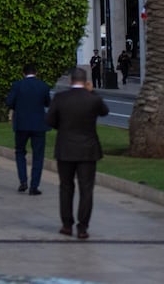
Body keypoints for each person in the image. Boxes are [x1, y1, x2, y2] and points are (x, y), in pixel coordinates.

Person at [46, 65, 109, 240]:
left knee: (66, 187)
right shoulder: (92, 99)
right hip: (88, 149)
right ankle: (82, 227)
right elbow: (104, 111)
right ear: (86, 81)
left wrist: (64, 128)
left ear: (70, 80)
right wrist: (93, 92)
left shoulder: (61, 98)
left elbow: (49, 120)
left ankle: (67, 225)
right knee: (86, 189)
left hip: (65, 148)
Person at [5, 61, 51, 195]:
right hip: (38, 124)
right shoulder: (43, 86)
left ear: (23, 73)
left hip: (21, 124)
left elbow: (9, 102)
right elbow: (48, 102)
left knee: (20, 152)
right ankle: (34, 186)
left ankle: (23, 180)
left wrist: (18, 108)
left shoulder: (17, 85)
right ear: (36, 73)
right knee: (38, 155)